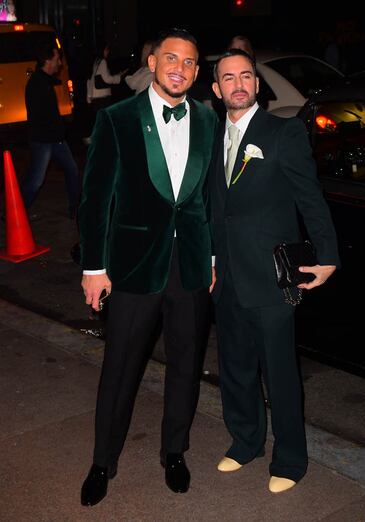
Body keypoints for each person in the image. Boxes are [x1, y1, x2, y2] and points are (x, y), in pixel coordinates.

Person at [78, 28, 217, 507]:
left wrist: (212, 255)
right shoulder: (117, 118)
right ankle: (103, 460)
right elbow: (96, 201)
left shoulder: (206, 115)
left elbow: (208, 197)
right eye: (172, 58)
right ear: (153, 62)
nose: (181, 67)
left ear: (198, 72)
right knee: (120, 368)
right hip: (133, 267)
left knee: (185, 365)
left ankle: (174, 452)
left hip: (192, 267)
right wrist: (94, 267)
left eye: (191, 62)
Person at [209, 49, 340, 494]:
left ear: (257, 85)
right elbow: (212, 209)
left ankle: (290, 459)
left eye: (246, 75)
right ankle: (245, 442)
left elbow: (310, 198)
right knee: (235, 368)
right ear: (216, 89)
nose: (238, 84)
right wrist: (208, 260)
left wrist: (327, 256)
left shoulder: (283, 132)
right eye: (228, 78)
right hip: (226, 276)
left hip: (271, 275)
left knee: (281, 374)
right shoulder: (211, 136)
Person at [21, 42, 80, 220]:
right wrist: (60, 128)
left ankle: (76, 209)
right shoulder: (37, 84)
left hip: (54, 139)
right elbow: (42, 116)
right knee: (36, 180)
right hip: (43, 140)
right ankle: (17, 211)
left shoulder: (43, 81)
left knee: (72, 171)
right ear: (47, 60)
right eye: (56, 59)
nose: (60, 63)